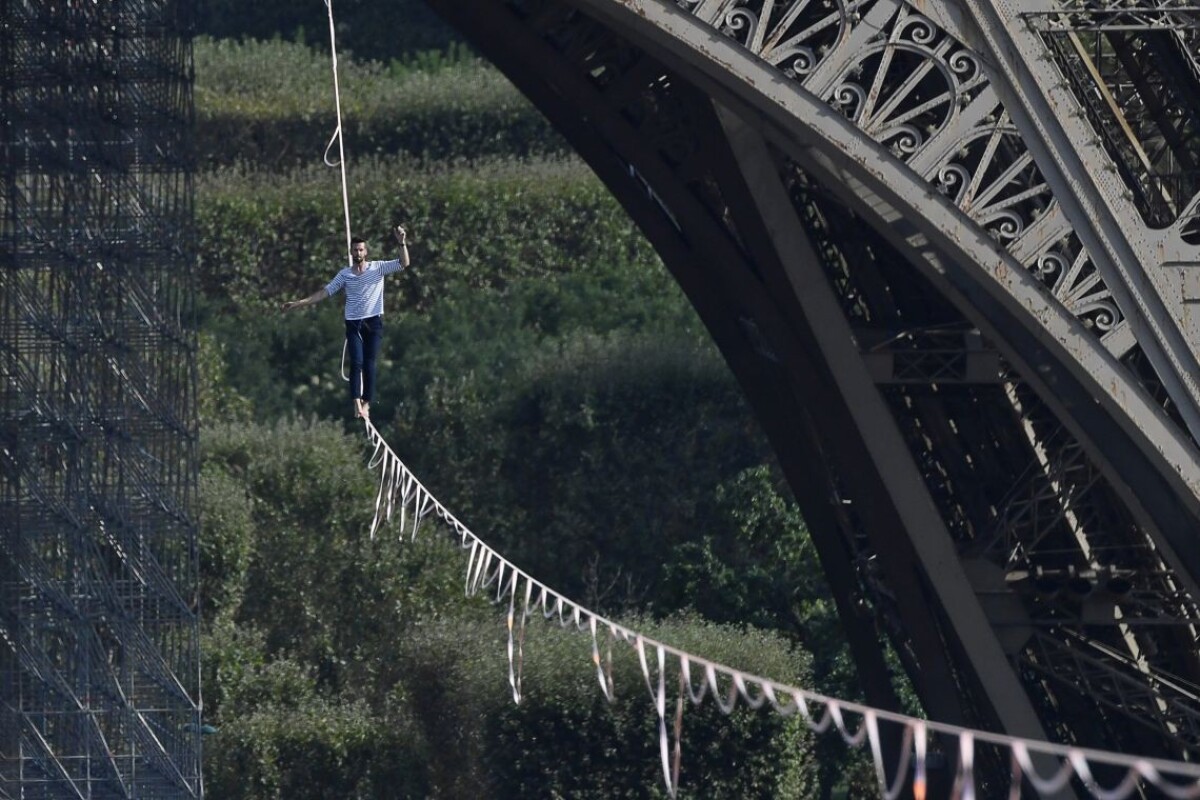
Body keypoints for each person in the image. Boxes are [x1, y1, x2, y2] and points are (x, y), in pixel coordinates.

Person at [281, 225, 410, 419]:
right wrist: (298, 303)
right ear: (351, 252)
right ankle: (356, 403)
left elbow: (404, 263)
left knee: (369, 363)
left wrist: (401, 242)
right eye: (355, 250)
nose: (358, 252)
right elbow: (325, 292)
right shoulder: (345, 275)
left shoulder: (378, 268)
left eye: (361, 249)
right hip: (354, 324)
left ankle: (366, 403)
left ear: (365, 251)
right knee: (356, 362)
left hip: (373, 322)